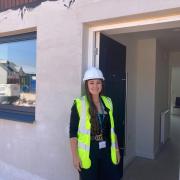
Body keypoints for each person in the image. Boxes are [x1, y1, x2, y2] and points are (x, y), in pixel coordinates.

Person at [69, 67, 121, 180]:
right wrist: (75, 156)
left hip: (107, 150)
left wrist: (117, 150)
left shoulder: (108, 102)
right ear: (87, 84)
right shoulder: (79, 104)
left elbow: (113, 129)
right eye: (91, 82)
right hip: (89, 152)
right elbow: (73, 133)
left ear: (102, 84)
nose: (95, 86)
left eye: (98, 82)